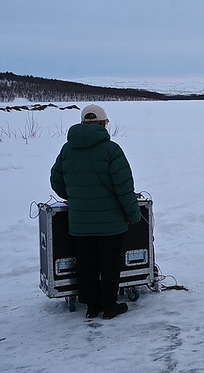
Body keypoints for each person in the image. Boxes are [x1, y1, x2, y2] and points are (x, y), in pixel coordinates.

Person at [50, 104, 141, 319]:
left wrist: (75, 197)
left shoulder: (67, 149)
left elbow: (57, 181)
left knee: (86, 263)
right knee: (109, 265)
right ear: (103, 123)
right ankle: (109, 306)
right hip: (111, 223)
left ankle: (92, 306)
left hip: (80, 222)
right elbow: (124, 188)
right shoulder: (112, 150)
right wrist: (133, 215)